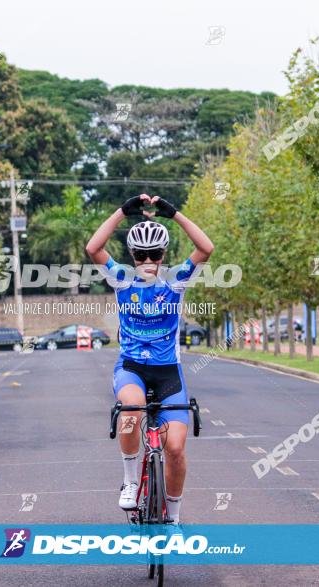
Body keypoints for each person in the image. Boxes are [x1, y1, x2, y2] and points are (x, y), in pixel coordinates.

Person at [86, 193, 213, 524]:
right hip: (132, 368)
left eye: (154, 254)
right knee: (129, 411)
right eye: (141, 254)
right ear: (133, 255)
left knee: (174, 449)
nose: (147, 259)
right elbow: (93, 249)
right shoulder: (122, 280)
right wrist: (120, 211)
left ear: (162, 255)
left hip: (168, 373)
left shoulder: (175, 283)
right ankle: (130, 482)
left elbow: (206, 249)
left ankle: (172, 518)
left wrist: (176, 215)